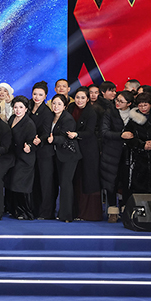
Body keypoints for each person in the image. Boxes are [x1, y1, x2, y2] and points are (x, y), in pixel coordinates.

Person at [99, 90, 136, 223]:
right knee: (111, 182)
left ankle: (126, 210)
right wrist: (120, 135)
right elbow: (104, 132)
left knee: (127, 182)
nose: (117, 103)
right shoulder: (109, 112)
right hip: (111, 152)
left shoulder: (135, 113)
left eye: (121, 101)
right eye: (117, 100)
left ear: (129, 103)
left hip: (129, 152)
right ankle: (112, 211)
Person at [67, 87, 102, 221]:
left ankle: (89, 214)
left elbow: (89, 131)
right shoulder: (71, 108)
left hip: (88, 150)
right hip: (74, 150)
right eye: (77, 97)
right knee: (76, 179)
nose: (79, 100)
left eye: (83, 98)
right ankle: (76, 212)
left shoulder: (91, 111)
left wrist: (76, 134)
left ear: (88, 99)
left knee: (88, 179)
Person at [48, 94, 82, 222]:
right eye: (54, 103)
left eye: (59, 104)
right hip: (58, 154)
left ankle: (67, 215)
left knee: (65, 183)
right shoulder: (52, 116)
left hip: (69, 155)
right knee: (61, 183)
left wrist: (53, 139)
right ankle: (62, 212)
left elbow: (64, 137)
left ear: (65, 106)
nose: (56, 106)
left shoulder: (68, 119)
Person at [7, 96, 37, 220]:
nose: (18, 110)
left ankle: (26, 212)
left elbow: (32, 141)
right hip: (14, 157)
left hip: (25, 159)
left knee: (21, 185)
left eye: (21, 107)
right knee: (13, 184)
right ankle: (15, 210)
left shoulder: (29, 123)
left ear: (26, 109)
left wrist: (29, 147)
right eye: (15, 107)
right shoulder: (12, 118)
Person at [30, 81, 56, 220]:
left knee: (45, 183)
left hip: (44, 151)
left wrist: (40, 139)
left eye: (40, 95)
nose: (37, 97)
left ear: (46, 96)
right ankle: (34, 210)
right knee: (34, 182)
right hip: (31, 151)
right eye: (35, 94)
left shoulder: (47, 112)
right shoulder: (29, 107)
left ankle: (46, 212)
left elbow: (46, 132)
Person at [126, 92, 151, 195]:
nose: (143, 108)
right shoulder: (133, 119)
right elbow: (128, 137)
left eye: (145, 105)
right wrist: (141, 144)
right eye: (140, 105)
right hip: (139, 156)